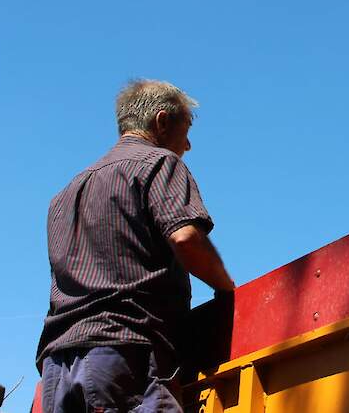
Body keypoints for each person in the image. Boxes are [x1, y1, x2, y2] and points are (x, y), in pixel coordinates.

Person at [35, 80, 235, 412]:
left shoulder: (64, 196)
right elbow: (186, 238)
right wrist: (226, 287)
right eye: (185, 131)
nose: (187, 145)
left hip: (58, 364)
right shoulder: (158, 163)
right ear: (161, 121)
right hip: (126, 355)